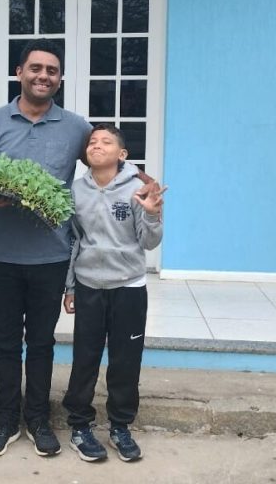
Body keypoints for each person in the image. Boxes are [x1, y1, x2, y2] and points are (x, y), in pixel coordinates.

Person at [0, 38, 92, 457]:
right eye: (35, 68)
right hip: (1, 255)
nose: (43, 76)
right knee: (5, 342)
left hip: (51, 255)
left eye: (52, 71)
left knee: (41, 342)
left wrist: (139, 185)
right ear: (19, 73)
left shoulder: (77, 128)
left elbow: (105, 168)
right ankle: (5, 418)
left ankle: (38, 418)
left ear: (59, 80)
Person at [61, 123, 165, 464]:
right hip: (90, 285)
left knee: (125, 361)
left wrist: (152, 213)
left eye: (106, 142)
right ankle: (80, 426)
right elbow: (75, 241)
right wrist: (71, 286)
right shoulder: (76, 190)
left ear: (122, 154)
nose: (97, 146)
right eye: (92, 142)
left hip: (129, 287)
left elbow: (149, 242)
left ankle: (120, 426)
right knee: (85, 359)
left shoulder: (138, 188)